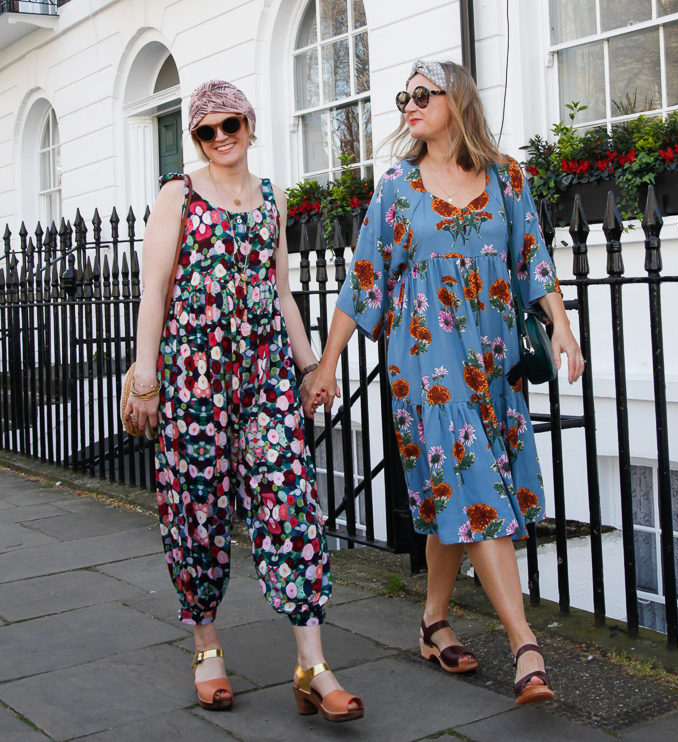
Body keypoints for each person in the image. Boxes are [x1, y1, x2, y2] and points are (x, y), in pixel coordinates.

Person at [302, 60, 585, 705]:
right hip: (425, 364)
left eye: (422, 94)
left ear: (457, 100)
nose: (409, 104)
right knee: (476, 486)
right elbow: (363, 279)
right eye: (405, 96)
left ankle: (432, 621)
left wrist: (561, 328)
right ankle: (525, 648)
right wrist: (326, 364)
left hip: (491, 362)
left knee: (451, 492)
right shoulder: (397, 186)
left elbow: (533, 259)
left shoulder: (508, 177)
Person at [123, 79, 363, 722]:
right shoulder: (178, 194)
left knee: (290, 501)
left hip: (265, 379)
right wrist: (145, 376)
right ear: (196, 139)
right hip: (193, 379)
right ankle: (207, 649)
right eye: (207, 130)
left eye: (231, 124)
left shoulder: (273, 200)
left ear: (250, 125)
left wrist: (311, 364)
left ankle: (312, 665)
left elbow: (280, 292)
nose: (221, 137)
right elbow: (154, 293)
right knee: (196, 512)